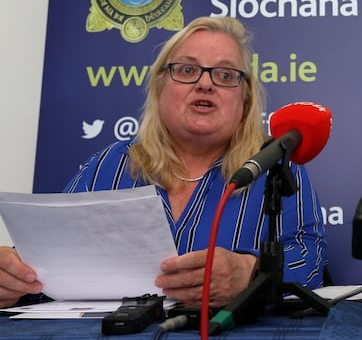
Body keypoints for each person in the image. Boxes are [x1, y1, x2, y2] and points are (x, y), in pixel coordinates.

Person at [0, 16, 328, 308]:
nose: (205, 83)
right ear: (160, 87)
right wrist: (12, 277)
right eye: (187, 70)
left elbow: (311, 262)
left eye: (225, 74)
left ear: (245, 98)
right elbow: (42, 264)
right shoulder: (108, 167)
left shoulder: (274, 167)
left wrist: (251, 273)